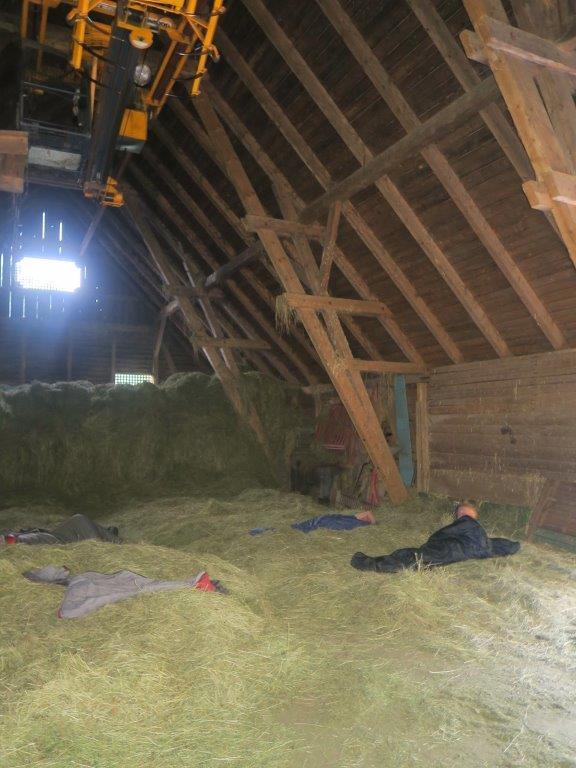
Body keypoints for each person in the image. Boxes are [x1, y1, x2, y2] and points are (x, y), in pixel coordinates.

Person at [351, 502, 519, 573]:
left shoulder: (468, 524)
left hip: (452, 551)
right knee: (420, 562)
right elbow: (505, 546)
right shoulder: (484, 538)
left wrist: (433, 542)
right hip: (462, 552)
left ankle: (367, 563)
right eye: (461, 513)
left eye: (464, 512)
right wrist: (514, 546)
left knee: (413, 557)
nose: (462, 515)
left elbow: (441, 535)